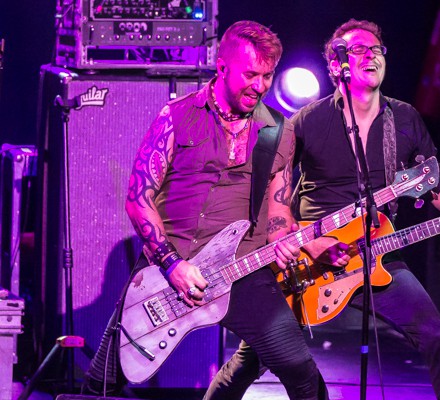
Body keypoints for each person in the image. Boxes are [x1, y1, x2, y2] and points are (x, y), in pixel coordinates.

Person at [208, 19, 440, 400]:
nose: (371, 56)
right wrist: (303, 242)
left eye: (377, 49)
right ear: (336, 66)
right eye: (359, 50)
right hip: (309, 258)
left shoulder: (405, 119)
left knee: (436, 338)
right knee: (250, 360)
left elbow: (438, 187)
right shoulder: (307, 121)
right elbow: (271, 192)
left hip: (378, 253)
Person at [83, 20, 327, 400]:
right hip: (171, 267)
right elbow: (138, 198)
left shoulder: (278, 130)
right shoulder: (176, 116)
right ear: (222, 65)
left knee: (301, 371)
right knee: (103, 380)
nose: (259, 86)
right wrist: (172, 264)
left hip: (242, 269)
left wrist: (286, 240)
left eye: (267, 76)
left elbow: (278, 213)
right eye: (250, 74)